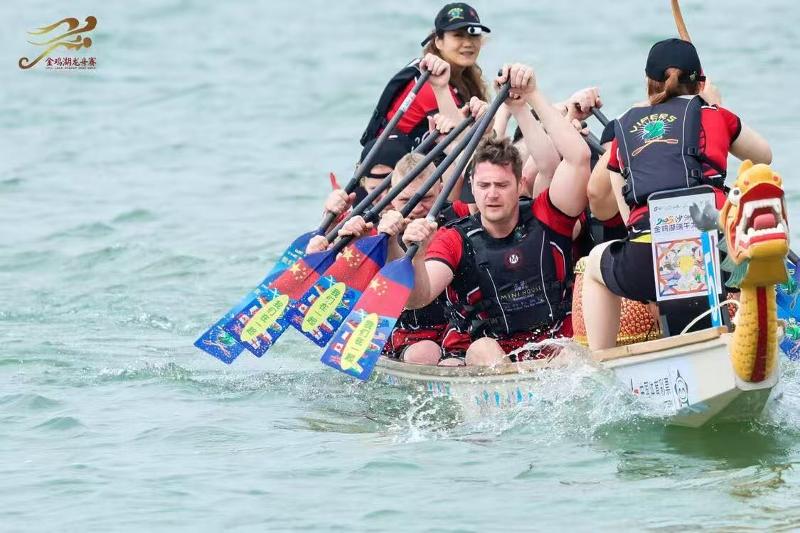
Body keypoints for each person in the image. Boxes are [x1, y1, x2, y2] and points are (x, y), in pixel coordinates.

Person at [582, 38, 772, 350]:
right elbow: (764, 156)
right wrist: (717, 106)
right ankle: (750, 333)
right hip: (718, 255)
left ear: (648, 84)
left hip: (648, 261)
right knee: (748, 239)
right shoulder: (716, 115)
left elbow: (628, 219)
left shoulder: (623, 128)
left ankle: (602, 360)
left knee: (593, 266)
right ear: (700, 83)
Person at [401, 64, 591, 366]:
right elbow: (417, 298)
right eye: (484, 186)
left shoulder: (547, 216)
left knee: (570, 354)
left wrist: (531, 95)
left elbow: (578, 159)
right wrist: (417, 256)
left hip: (555, 347)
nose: (492, 194)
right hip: (492, 355)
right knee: (482, 349)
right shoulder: (454, 239)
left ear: (519, 184)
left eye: (502, 185)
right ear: (472, 188)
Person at [360, 3, 490, 147]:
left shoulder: (465, 78)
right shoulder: (430, 83)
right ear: (438, 42)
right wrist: (503, 111)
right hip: (395, 159)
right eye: (458, 35)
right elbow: (462, 141)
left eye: (474, 35)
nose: (468, 43)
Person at [306, 133, 413, 253]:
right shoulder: (355, 221)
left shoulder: (423, 213)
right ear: (364, 185)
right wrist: (331, 222)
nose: (384, 198)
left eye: (392, 188)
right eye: (374, 190)